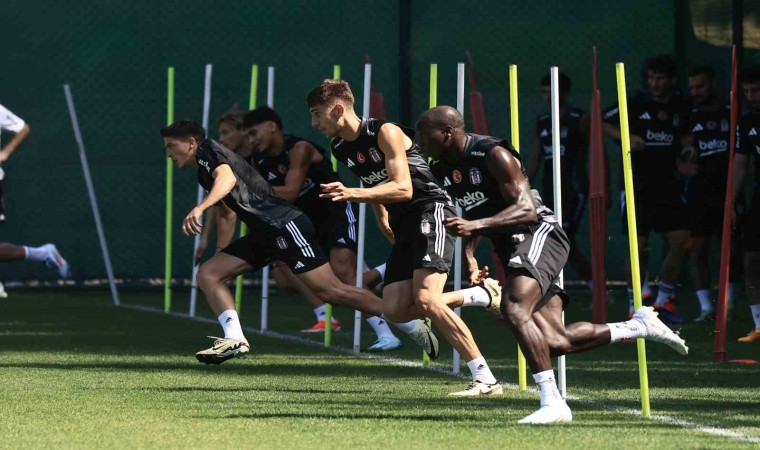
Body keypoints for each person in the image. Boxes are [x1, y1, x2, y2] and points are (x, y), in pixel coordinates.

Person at [417, 105, 688, 424]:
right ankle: (639, 326)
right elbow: (476, 209)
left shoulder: (493, 154)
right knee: (554, 342)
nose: (421, 142)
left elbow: (527, 209)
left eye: (425, 135)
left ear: (447, 133)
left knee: (514, 308)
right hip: (509, 242)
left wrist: (475, 226)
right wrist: (470, 255)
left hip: (538, 232)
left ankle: (553, 403)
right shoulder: (442, 167)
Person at [160, 120, 440, 364]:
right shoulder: (203, 170)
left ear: (191, 142)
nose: (169, 154)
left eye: (171, 146)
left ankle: (408, 323)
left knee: (332, 291)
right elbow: (226, 213)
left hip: (284, 225)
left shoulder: (209, 151)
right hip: (264, 232)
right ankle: (235, 339)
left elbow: (227, 178)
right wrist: (223, 252)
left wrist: (199, 208)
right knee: (209, 273)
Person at [307, 80, 504, 396]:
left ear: (338, 109)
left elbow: (403, 188)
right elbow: (374, 182)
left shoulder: (385, 132)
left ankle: (486, 379)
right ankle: (479, 295)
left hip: (430, 211)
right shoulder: (340, 148)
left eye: (317, 114)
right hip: (403, 221)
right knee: (395, 309)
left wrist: (352, 194)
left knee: (427, 300)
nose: (314, 123)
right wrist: (383, 218)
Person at [241, 106, 403, 350]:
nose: (251, 140)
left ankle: (387, 334)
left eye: (253, 133)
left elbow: (290, 192)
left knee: (344, 274)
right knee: (290, 279)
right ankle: (386, 270)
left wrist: (246, 191)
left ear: (271, 127)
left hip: (335, 211)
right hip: (304, 221)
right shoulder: (257, 160)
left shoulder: (299, 149)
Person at [603, 55, 693, 323]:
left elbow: (687, 134)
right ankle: (635, 306)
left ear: (671, 80)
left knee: (681, 240)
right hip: (637, 185)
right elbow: (601, 119)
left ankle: (664, 302)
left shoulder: (681, 105)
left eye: (660, 78)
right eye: (651, 78)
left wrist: (688, 150)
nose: (655, 83)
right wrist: (626, 136)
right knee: (639, 247)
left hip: (669, 184)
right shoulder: (635, 102)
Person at [683, 66, 742, 322]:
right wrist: (682, 163)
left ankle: (729, 302)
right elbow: (681, 146)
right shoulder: (688, 113)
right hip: (699, 192)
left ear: (713, 84)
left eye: (701, 86)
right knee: (697, 248)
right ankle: (706, 307)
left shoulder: (732, 111)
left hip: (730, 189)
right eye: (692, 88)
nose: (696, 92)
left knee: (732, 249)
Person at [526, 71, 592, 289]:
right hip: (549, 185)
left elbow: (594, 152)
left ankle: (596, 286)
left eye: (552, 91)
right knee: (554, 236)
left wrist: (600, 186)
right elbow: (536, 156)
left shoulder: (579, 118)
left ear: (565, 92)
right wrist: (522, 185)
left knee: (563, 237)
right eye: (544, 92)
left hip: (574, 186)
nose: (548, 96)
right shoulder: (542, 121)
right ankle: (551, 286)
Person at [733, 66, 760, 343]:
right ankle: (759, 324)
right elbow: (741, 163)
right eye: (747, 91)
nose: (752, 96)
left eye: (756, 90)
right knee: (751, 258)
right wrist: (730, 202)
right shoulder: (747, 121)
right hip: (758, 197)